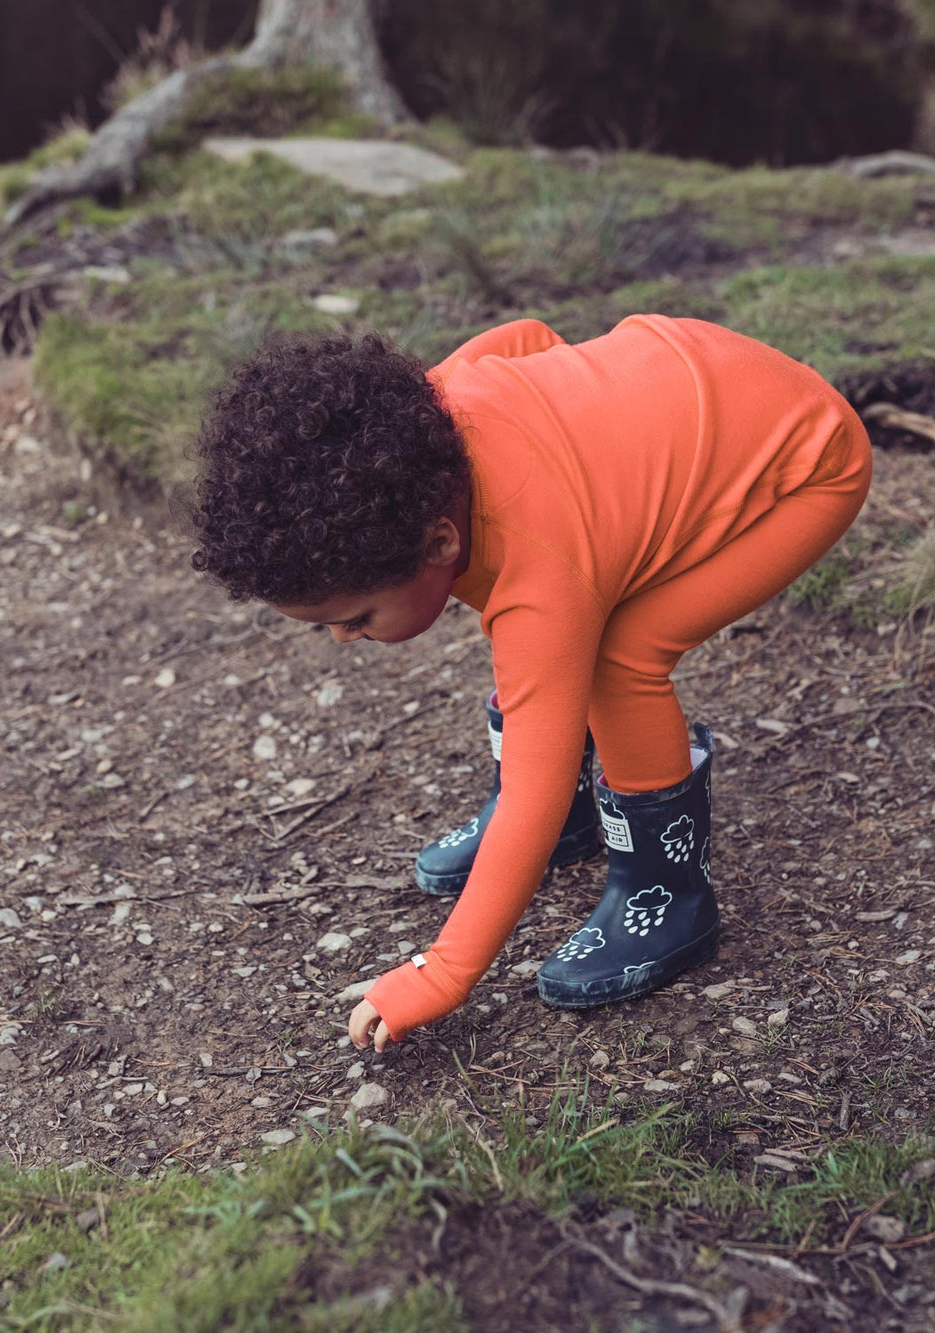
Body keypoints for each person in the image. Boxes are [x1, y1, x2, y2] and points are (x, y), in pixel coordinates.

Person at [189, 315, 872, 1054]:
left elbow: (528, 793)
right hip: (693, 361)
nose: (343, 638)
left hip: (810, 462)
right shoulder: (431, 413)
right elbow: (526, 336)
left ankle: (667, 894)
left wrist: (443, 971)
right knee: (562, 642)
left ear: (439, 541)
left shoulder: (541, 572)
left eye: (356, 618)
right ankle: (580, 822)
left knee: (618, 658)